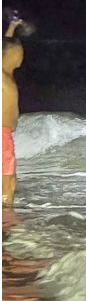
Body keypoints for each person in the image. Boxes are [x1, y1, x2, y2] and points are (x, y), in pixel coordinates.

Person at [2, 19, 24, 206]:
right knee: (7, 179)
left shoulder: (7, 74)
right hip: (2, 134)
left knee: (10, 176)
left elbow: (5, 44)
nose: (21, 54)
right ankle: (6, 212)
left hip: (6, 133)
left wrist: (12, 27)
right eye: (18, 51)